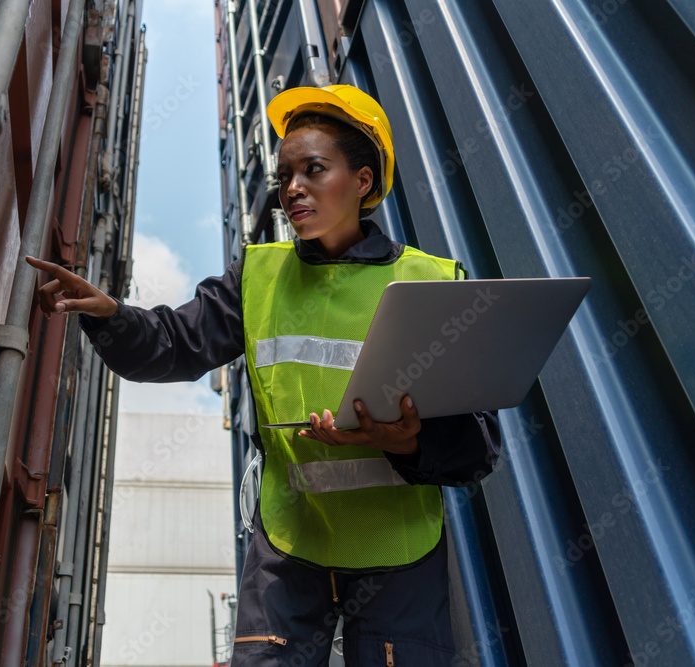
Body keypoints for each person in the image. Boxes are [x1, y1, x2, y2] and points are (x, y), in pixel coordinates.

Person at [26, 85, 500, 666]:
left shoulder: (432, 281)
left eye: (314, 169)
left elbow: (480, 447)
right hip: (289, 545)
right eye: (285, 175)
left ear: (364, 181)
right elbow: (173, 346)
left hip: (397, 551)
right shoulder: (257, 275)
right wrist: (111, 317)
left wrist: (410, 441)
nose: (292, 187)